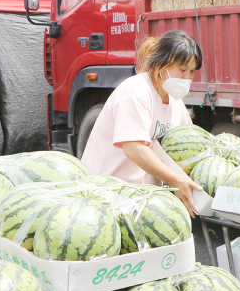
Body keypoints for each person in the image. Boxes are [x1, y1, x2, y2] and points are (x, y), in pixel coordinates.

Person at [81, 30, 204, 214]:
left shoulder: (174, 101)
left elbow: (190, 145)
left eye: (192, 71)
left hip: (139, 198)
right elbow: (134, 147)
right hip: (106, 194)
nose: (187, 77)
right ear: (161, 64)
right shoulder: (136, 93)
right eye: (183, 69)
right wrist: (175, 180)